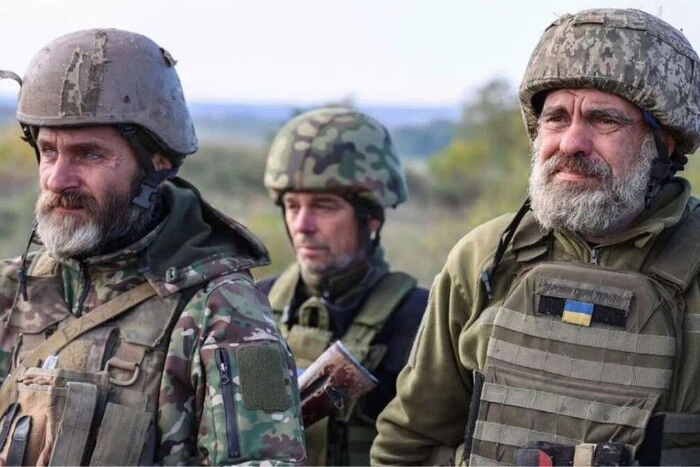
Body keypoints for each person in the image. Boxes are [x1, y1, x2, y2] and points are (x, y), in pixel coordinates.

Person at [371, 8, 700, 467]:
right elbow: (411, 440)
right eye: (556, 118)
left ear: (665, 141)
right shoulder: (486, 257)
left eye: (604, 120)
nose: (571, 143)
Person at [0, 29, 306, 465]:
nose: (57, 179)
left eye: (89, 154)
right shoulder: (12, 289)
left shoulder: (231, 315)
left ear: (158, 162)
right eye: (49, 151)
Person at [259, 107, 428, 465]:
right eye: (292, 206)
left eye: (324, 207)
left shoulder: (419, 321)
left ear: (372, 217)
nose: (303, 225)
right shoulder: (254, 308)